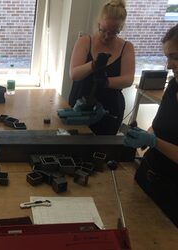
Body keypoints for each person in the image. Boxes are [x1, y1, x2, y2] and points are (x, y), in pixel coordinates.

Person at [124, 23, 178, 227]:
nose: (169, 65)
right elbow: (158, 126)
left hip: (173, 193)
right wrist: (144, 136)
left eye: (175, 57)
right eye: (167, 57)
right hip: (148, 176)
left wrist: (153, 141)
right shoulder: (173, 86)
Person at [68, 0, 135, 135]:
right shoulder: (85, 41)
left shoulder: (127, 47)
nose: (106, 36)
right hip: (79, 108)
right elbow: (74, 74)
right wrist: (93, 65)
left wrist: (106, 82)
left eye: (112, 33)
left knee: (102, 151)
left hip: (110, 109)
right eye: (103, 30)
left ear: (120, 29)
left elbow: (128, 79)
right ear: (99, 23)